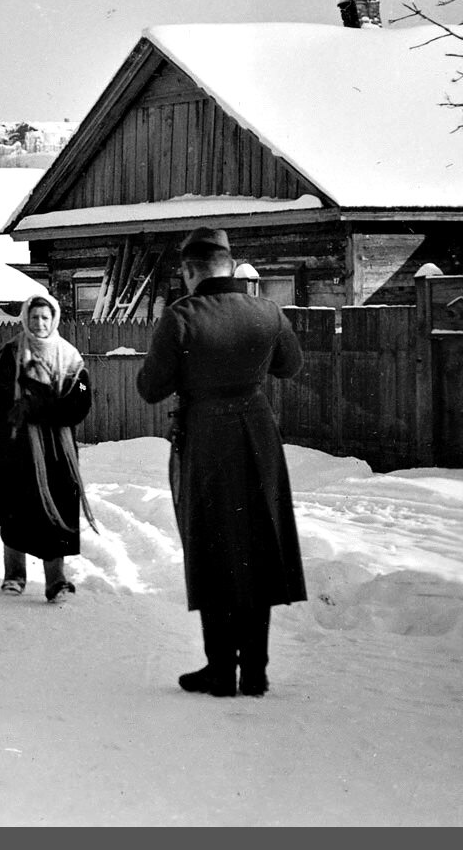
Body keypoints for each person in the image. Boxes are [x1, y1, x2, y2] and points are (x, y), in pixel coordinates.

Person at [137, 226, 305, 698]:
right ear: (230, 267)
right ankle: (255, 671)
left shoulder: (180, 316)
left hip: (206, 439)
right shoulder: (267, 312)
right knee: (257, 546)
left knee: (213, 549)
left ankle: (219, 671)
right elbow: (290, 367)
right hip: (258, 435)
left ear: (190, 272)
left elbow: (151, 387)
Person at [0, 292, 92, 603]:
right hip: (17, 449)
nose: (39, 323)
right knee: (14, 511)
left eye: (44, 318)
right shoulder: (9, 354)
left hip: (57, 453)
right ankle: (14, 575)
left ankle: (56, 580)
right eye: (33, 317)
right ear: (25, 319)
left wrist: (40, 409)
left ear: (54, 320)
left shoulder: (72, 358)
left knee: (56, 511)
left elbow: (81, 401)